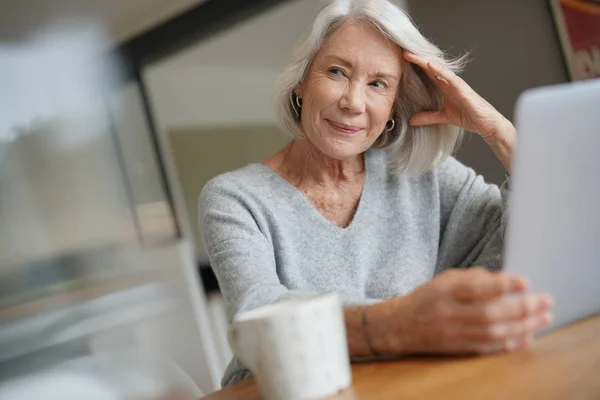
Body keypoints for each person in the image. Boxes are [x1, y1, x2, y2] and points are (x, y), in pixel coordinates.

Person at [199, 0, 554, 386]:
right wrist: (402, 322)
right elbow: (259, 317)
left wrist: (498, 132)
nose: (352, 101)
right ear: (301, 82)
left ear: (392, 107)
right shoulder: (235, 198)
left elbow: (521, 251)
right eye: (336, 72)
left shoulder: (423, 174)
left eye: (378, 84)